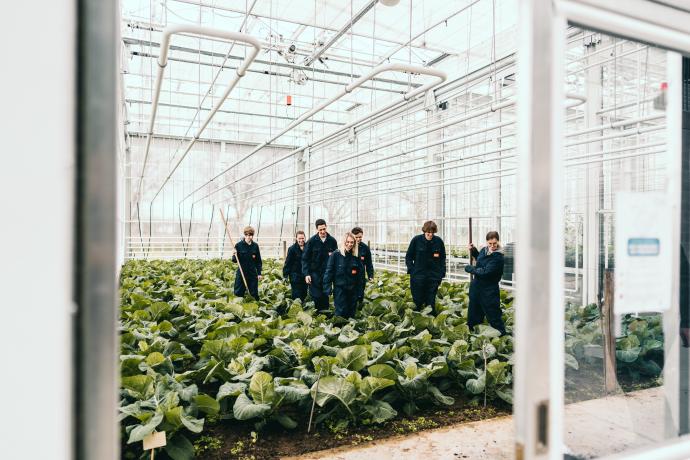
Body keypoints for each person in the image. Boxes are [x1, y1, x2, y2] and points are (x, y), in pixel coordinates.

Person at [464, 231, 506, 335]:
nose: (492, 246)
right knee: (474, 311)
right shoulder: (484, 250)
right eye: (490, 243)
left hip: (489, 289)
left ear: (498, 242)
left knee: (493, 313)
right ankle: (473, 332)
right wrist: (473, 250)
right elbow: (480, 259)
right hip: (477, 287)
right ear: (487, 242)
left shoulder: (498, 257)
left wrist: (471, 269)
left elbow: (485, 272)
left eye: (495, 243)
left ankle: (501, 334)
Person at [405, 220, 446, 310]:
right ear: (424, 231)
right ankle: (418, 320)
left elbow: (442, 258)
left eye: (432, 233)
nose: (430, 235)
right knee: (418, 302)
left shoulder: (438, 241)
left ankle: (430, 321)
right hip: (418, 277)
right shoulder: (416, 240)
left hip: (433, 277)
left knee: (431, 303)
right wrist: (412, 270)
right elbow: (408, 256)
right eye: (428, 233)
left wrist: (441, 273)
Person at [324, 232, 364, 318]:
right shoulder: (336, 255)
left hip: (353, 290)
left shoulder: (356, 256)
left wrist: (360, 292)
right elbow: (329, 272)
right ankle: (340, 330)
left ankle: (349, 330)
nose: (349, 244)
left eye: (352, 242)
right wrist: (327, 288)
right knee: (340, 313)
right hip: (340, 290)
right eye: (347, 242)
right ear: (344, 242)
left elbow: (360, 276)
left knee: (351, 313)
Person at [302, 219, 338, 311]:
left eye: (324, 229)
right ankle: (317, 316)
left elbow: (337, 259)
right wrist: (306, 274)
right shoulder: (311, 242)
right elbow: (305, 259)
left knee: (325, 296)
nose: (322, 231)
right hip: (314, 274)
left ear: (326, 227)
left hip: (327, 274)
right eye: (320, 230)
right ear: (317, 229)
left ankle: (325, 318)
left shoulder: (332, 241)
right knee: (316, 297)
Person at [232, 226, 262, 299]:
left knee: (254, 294)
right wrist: (234, 254)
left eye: (250, 235)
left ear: (252, 235)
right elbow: (234, 260)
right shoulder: (238, 245)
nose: (249, 237)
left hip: (252, 273)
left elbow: (258, 261)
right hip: (242, 273)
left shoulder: (255, 246)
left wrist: (259, 273)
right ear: (245, 235)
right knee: (238, 293)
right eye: (247, 235)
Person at [283, 230, 307, 302]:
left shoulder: (308, 247)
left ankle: (302, 311)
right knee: (296, 296)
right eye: (299, 238)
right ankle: (296, 311)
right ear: (296, 239)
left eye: (302, 238)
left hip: (304, 276)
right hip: (295, 276)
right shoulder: (292, 249)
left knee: (304, 294)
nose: (301, 240)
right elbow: (288, 263)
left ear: (305, 238)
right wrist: (285, 275)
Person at [351, 227, 374, 302]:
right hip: (350, 276)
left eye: (360, 237)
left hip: (360, 277)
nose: (358, 239)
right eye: (356, 237)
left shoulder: (365, 248)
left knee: (360, 296)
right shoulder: (349, 246)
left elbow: (369, 264)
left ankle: (358, 311)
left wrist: (370, 276)